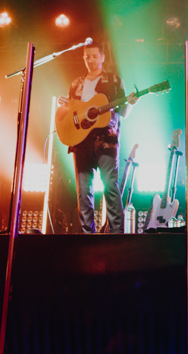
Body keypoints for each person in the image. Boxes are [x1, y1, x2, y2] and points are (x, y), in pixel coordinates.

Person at [58, 41, 135, 233]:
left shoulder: (115, 81)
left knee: (110, 187)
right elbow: (72, 114)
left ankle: (116, 235)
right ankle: (86, 235)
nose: (91, 60)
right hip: (80, 142)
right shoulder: (76, 83)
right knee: (83, 191)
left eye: (94, 56)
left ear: (102, 57)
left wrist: (132, 102)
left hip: (106, 141)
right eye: (87, 57)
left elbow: (123, 112)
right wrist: (66, 107)